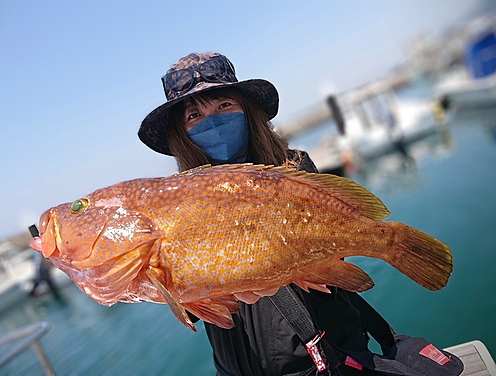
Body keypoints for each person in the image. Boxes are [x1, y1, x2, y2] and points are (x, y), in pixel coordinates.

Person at [137, 53, 462, 376]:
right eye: (194, 115)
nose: (212, 122)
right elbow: (190, 304)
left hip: (325, 358)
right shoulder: (176, 206)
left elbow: (335, 265)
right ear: (181, 133)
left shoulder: (294, 170)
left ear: (247, 111)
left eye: (224, 106)